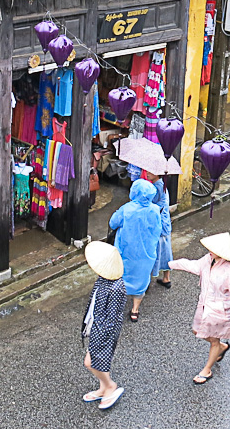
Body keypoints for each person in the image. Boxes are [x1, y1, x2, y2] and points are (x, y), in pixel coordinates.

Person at [170, 232, 230, 384]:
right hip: (204, 307)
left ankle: (207, 369)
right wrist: (171, 264)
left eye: (213, 249)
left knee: (213, 339)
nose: (209, 251)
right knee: (197, 330)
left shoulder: (229, 271)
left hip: (222, 312)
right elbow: (194, 265)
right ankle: (221, 347)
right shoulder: (207, 260)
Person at [108, 178, 162, 322]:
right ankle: (135, 310)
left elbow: (113, 223)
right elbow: (158, 230)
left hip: (126, 252)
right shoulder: (155, 210)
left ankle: (116, 308)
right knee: (141, 280)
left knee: (121, 277)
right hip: (146, 253)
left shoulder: (127, 209)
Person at [81, 241, 126, 411]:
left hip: (104, 331)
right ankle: (103, 387)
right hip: (97, 328)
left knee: (91, 362)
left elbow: (111, 319)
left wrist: (99, 336)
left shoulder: (116, 287)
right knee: (97, 362)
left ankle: (109, 385)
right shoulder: (104, 278)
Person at [142, 171, 173, 288]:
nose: (147, 174)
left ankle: (147, 281)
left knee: (152, 252)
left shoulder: (155, 188)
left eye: (151, 172)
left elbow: (151, 207)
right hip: (164, 224)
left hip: (157, 225)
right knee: (166, 251)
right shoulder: (162, 185)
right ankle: (166, 278)